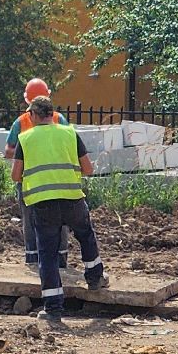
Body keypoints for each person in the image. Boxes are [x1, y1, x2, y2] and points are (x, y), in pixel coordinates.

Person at [14, 95, 107, 323]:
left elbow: (16, 175)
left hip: (43, 204)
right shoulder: (69, 133)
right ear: (52, 114)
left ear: (33, 114)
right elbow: (88, 169)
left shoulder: (25, 139)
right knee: (85, 236)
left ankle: (53, 309)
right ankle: (95, 278)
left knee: (47, 253)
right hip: (72, 199)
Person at [4, 78, 66, 267]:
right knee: (60, 221)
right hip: (56, 179)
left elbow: (8, 151)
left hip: (29, 180)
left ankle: (33, 259)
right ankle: (60, 260)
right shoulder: (59, 120)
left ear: (27, 101)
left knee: (30, 221)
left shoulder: (21, 122)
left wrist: (27, 152)